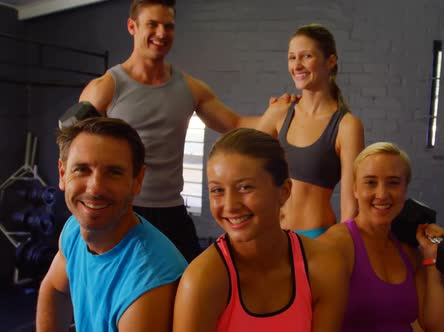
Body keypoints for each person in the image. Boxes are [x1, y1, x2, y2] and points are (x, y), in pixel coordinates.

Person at [78, 0, 292, 261]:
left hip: (172, 210)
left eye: (168, 26)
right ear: (132, 26)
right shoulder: (105, 87)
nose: (161, 33)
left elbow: (234, 124)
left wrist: (275, 115)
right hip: (125, 209)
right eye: (152, 25)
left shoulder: (190, 88)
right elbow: (76, 150)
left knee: (187, 287)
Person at [173, 128, 348, 332]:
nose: (229, 205)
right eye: (217, 190)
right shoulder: (201, 280)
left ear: (284, 192)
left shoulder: (324, 267)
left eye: (245, 187)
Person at [36, 117, 187, 331]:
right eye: (82, 169)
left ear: (137, 180)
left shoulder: (148, 281)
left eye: (114, 172)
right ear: (62, 173)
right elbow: (54, 288)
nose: (95, 188)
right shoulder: (73, 231)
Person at [318, 142, 444, 332]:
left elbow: (440, 327)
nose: (382, 194)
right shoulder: (336, 245)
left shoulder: (408, 250)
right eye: (370, 182)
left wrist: (432, 260)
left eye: (393, 183)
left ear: (405, 190)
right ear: (355, 189)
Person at [257, 23, 365, 239]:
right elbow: (241, 158)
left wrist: (344, 251)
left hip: (314, 237)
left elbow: (350, 205)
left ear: (331, 61)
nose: (297, 65)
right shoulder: (280, 112)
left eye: (306, 56)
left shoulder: (346, 126)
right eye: (291, 57)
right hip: (271, 235)